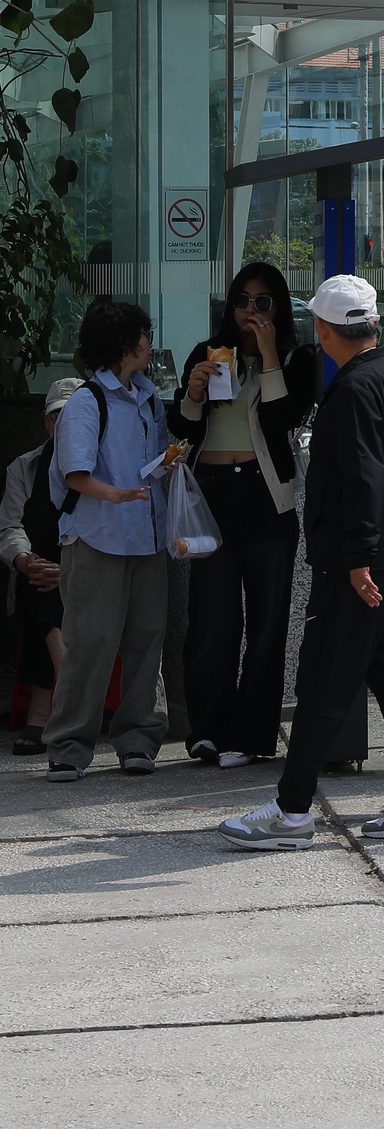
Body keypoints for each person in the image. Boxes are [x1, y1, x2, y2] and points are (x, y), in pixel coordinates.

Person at [219, 275, 384, 848]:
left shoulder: (350, 390)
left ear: (323, 330)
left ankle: (293, 811)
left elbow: (364, 477)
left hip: (358, 564)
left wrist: (359, 555)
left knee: (323, 681)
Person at [168, 261, 320, 769]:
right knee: (212, 617)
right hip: (212, 491)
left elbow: (283, 419)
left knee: (268, 619)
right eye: (242, 301)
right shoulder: (210, 354)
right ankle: (206, 729)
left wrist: (271, 353)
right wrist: (192, 392)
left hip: (265, 495)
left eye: (262, 303)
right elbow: (183, 430)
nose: (250, 312)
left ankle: (252, 733)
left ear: (277, 309)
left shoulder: (299, 360)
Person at [42, 302, 169, 780]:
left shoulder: (148, 398)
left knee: (145, 640)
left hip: (146, 537)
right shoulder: (86, 402)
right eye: (144, 336)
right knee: (90, 643)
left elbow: (152, 459)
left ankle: (138, 739)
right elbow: (75, 473)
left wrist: (167, 462)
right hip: (96, 537)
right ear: (125, 345)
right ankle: (69, 745)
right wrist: (113, 492)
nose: (150, 345)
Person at [1, 380, 80, 752]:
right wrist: (24, 559)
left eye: (72, 416)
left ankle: (41, 712)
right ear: (45, 421)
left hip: (88, 571)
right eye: (56, 417)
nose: (62, 425)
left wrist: (68, 571)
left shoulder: (101, 467)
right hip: (39, 568)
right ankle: (65, 694)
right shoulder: (25, 466)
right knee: (36, 580)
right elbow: (9, 526)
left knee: (49, 584)